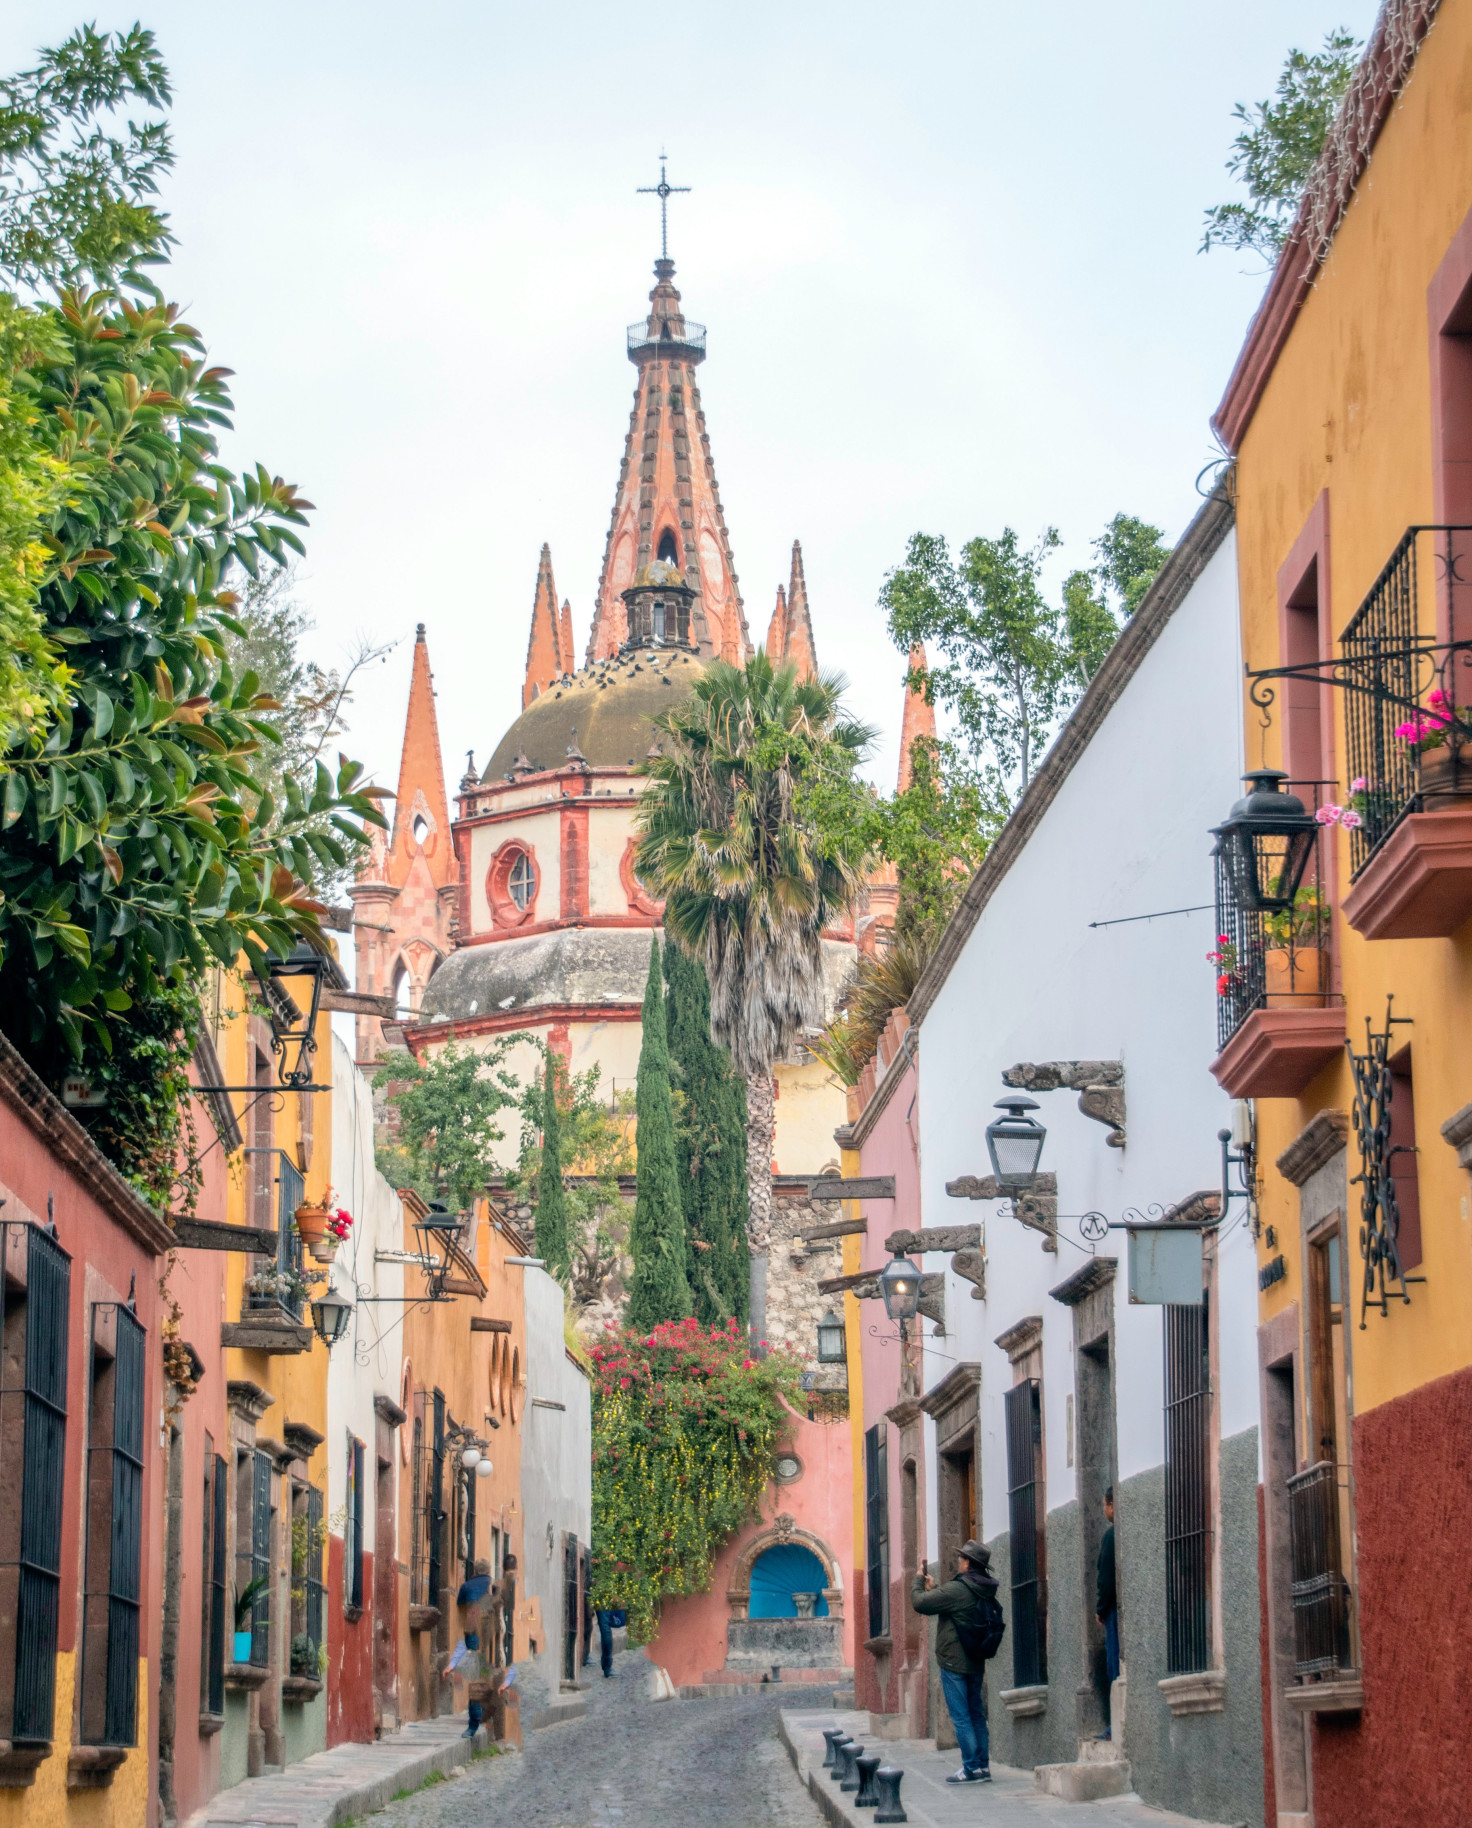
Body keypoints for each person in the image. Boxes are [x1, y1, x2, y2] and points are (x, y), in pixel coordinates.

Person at [912, 1540, 1004, 1784]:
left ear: (968, 1563)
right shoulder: (981, 1588)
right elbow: (958, 1606)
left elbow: (919, 1603)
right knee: (976, 1714)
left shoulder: (959, 1588)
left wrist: (918, 1581)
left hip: (954, 1661)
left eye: (962, 1557)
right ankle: (982, 1767)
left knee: (961, 1716)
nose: (959, 1561)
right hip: (975, 1659)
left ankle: (971, 1768)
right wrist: (938, 1588)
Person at [455, 1559, 493, 1738]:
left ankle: (473, 1725)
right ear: (489, 1571)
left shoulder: (467, 1586)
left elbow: (460, 1606)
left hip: (473, 1639)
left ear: (476, 1571)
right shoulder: (496, 1586)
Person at [1095, 1488, 1118, 1740]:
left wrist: (1101, 1609)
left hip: (1113, 1611)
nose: (1103, 1510)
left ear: (1112, 1505)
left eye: (1104, 1505)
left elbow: (1106, 1578)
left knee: (1114, 1665)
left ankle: (1115, 1727)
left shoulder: (1111, 1537)